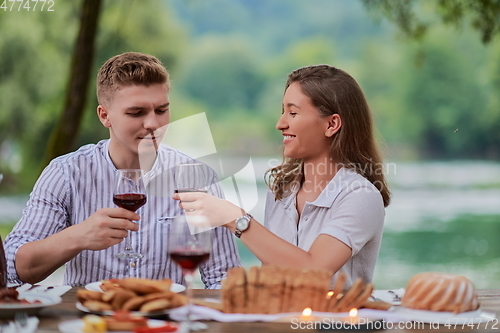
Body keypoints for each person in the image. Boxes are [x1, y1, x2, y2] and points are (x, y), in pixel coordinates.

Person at [4, 52, 241, 288]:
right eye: (136, 113)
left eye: (161, 110)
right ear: (104, 116)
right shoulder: (66, 173)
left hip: (165, 321)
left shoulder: (196, 177)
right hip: (88, 322)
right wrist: (79, 236)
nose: (153, 124)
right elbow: (14, 268)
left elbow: (224, 280)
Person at [175, 65, 390, 287]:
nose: (280, 124)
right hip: (278, 321)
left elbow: (314, 270)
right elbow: (273, 274)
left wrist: (235, 218)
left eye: (293, 113)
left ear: (332, 124)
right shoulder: (281, 190)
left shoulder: (361, 196)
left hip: (334, 322)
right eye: (282, 111)